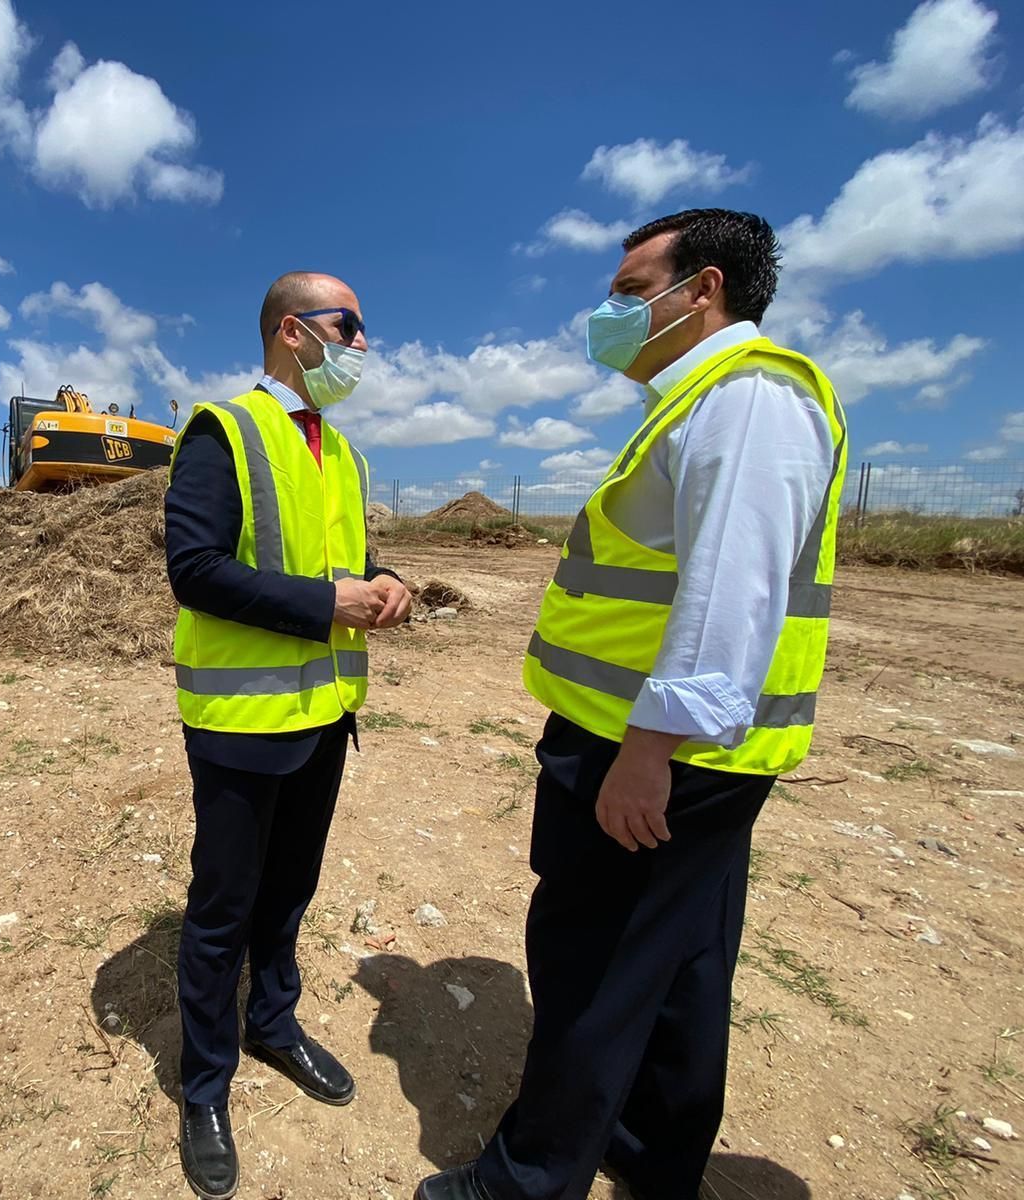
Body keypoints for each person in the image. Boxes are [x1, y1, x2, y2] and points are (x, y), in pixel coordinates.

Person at [415, 210, 846, 1200]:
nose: (610, 311)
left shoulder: (745, 399)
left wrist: (649, 747)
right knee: (682, 966)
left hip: (648, 754)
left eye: (629, 288)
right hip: (683, 756)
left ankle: (526, 1180)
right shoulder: (702, 399)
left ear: (702, 291)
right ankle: (650, 1154)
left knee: (592, 970)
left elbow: (729, 592)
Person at [164, 272, 412, 1199]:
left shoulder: (340, 452)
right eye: (346, 326)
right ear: (290, 333)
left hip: (325, 715)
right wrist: (328, 602)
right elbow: (195, 570)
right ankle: (203, 1086)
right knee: (223, 907)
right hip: (242, 722)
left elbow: (338, 562)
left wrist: (380, 581)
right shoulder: (222, 431)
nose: (359, 344)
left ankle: (274, 1023)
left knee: (291, 893)